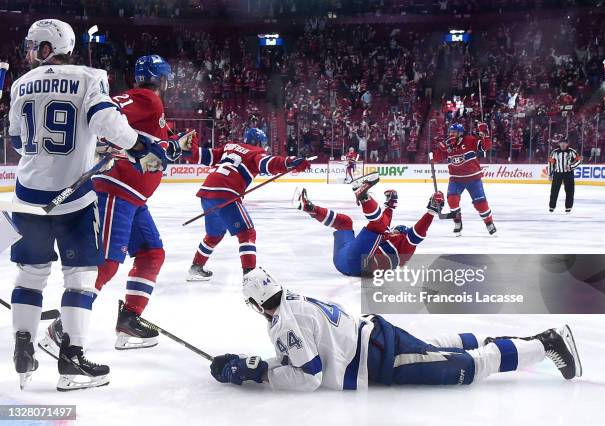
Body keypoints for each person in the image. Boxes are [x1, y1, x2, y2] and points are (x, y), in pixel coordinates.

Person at [8, 19, 172, 391]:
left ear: (47, 48)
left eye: (35, 45)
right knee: (79, 279)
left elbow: (18, 142)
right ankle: (72, 361)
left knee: (31, 275)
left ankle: (24, 345)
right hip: (74, 201)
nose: (31, 51)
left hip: (27, 198)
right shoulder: (89, 76)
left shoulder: (19, 85)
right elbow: (107, 122)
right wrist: (138, 147)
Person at [38, 55, 193, 356]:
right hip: (118, 192)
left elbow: (152, 147)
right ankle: (62, 329)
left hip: (134, 199)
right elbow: (107, 110)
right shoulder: (146, 98)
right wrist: (98, 138)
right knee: (106, 262)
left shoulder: (151, 110)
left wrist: (175, 145)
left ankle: (129, 321)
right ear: (161, 79)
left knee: (151, 253)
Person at [209, 267, 582, 390]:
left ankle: (545, 344)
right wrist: (257, 364)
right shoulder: (290, 304)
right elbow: (301, 354)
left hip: (377, 358)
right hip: (373, 339)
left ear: (257, 302)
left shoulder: (284, 323)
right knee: (433, 345)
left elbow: (309, 377)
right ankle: (500, 341)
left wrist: (260, 377)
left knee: (464, 369)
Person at [186, 138, 311, 281]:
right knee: (247, 233)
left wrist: (189, 149)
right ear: (258, 143)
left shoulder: (230, 147)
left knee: (214, 234)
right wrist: (289, 162)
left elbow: (204, 155)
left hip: (207, 192)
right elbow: (267, 163)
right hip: (226, 192)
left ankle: (196, 267)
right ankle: (250, 276)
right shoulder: (255, 152)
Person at [293, 173, 443, 277]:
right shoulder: (389, 238)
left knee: (379, 226)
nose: (391, 231)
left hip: (359, 264)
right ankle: (308, 207)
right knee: (345, 222)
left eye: (394, 231)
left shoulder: (405, 246)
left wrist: (431, 212)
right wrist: (390, 206)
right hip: (342, 259)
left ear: (401, 233)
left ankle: (364, 197)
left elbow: (417, 233)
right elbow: (385, 224)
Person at [432, 123, 496, 237]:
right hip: (456, 180)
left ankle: (489, 223)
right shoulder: (448, 144)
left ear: (460, 133)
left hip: (473, 179)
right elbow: (436, 159)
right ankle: (457, 223)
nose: (451, 134)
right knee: (452, 200)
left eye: (454, 132)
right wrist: (441, 147)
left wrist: (485, 134)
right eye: (450, 132)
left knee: (481, 204)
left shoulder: (469, 140)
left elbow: (485, 147)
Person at [548, 137, 581, 213]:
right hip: (557, 173)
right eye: (561, 142)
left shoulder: (572, 151)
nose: (563, 144)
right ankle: (552, 207)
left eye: (565, 143)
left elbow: (578, 161)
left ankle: (568, 207)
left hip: (568, 174)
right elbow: (550, 163)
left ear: (567, 144)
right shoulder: (554, 152)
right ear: (559, 143)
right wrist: (550, 174)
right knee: (554, 191)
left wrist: (571, 166)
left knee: (570, 191)